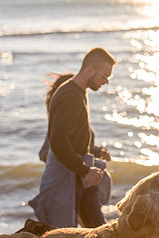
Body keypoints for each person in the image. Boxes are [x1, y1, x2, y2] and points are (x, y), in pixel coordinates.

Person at [29, 48, 116, 228]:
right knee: (83, 236)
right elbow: (59, 142)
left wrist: (96, 151)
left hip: (78, 180)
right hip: (69, 179)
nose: (106, 81)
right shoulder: (70, 96)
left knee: (94, 233)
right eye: (105, 76)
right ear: (90, 70)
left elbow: (74, 139)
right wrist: (85, 170)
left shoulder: (78, 92)